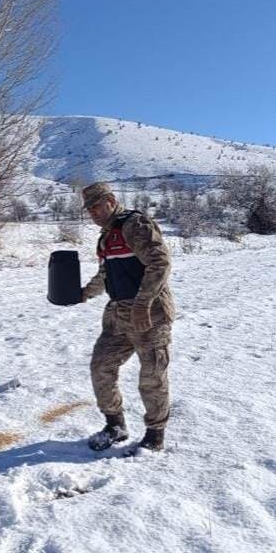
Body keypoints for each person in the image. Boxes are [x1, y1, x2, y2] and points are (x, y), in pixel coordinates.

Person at [79, 182, 174, 452]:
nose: (93, 213)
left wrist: (143, 303)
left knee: (152, 376)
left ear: (110, 200)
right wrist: (84, 293)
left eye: (96, 206)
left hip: (150, 315)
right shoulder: (107, 235)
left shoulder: (135, 225)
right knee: (101, 367)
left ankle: (155, 435)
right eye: (89, 209)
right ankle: (115, 425)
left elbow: (160, 263)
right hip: (118, 316)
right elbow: (106, 273)